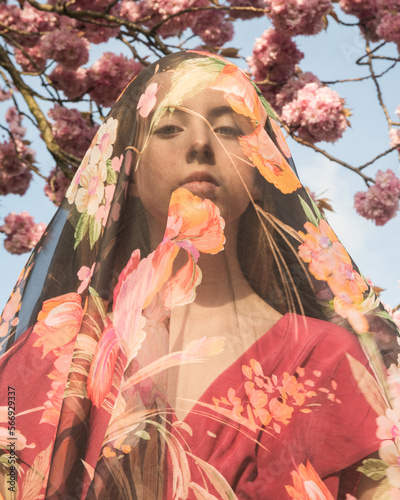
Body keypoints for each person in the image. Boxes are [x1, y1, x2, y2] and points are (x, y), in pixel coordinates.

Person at [0, 51, 399, 500]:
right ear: (129, 164)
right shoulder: (54, 350)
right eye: (169, 127)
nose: (201, 144)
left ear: (263, 165)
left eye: (229, 128)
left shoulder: (327, 359)